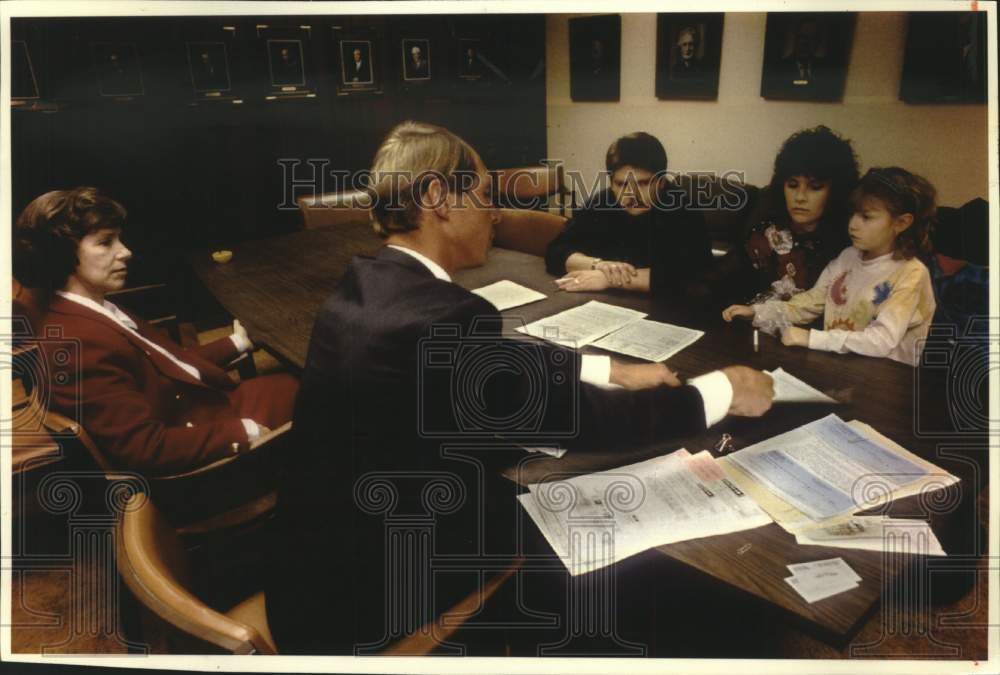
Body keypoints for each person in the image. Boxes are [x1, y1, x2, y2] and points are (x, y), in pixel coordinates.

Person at [266, 121, 775, 654]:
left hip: (311, 575)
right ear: (437, 198)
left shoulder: (365, 285)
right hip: (370, 603)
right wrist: (719, 390)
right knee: (608, 554)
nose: (495, 213)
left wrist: (607, 369)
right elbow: (584, 420)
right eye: (485, 195)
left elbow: (490, 367)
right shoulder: (446, 318)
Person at [12, 187, 299, 475]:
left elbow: (164, 365)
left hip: (201, 409)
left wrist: (236, 342)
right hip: (205, 443)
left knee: (301, 381)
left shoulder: (88, 307)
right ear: (62, 254)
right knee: (319, 395)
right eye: (106, 242)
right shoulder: (78, 344)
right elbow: (144, 448)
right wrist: (243, 431)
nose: (125, 252)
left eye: (119, 239)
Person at [722, 167, 937, 366]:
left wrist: (811, 338)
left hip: (884, 379)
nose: (852, 224)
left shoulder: (912, 273)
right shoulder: (848, 257)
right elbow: (810, 302)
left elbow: (881, 341)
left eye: (866, 217)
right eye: (853, 214)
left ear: (901, 223)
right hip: (841, 366)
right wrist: (757, 312)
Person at [545, 131, 713, 298]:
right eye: (621, 184)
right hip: (607, 301)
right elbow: (555, 251)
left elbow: (695, 276)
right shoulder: (601, 202)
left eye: (643, 183)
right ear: (611, 183)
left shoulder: (682, 208)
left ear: (661, 182)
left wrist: (609, 279)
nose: (631, 194)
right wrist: (597, 265)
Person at [716, 125, 859, 304]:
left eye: (815, 187)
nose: (800, 197)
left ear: (836, 191)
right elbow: (722, 280)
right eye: (792, 185)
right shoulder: (764, 234)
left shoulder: (850, 242)